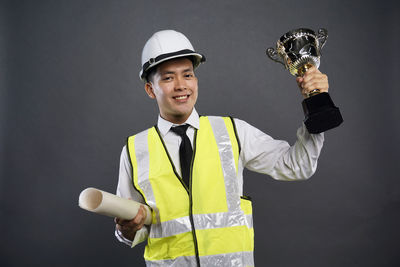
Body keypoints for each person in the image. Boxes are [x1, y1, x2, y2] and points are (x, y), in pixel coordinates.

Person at [114, 30, 327, 266]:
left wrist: (315, 103)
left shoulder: (232, 131)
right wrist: (128, 230)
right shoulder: (135, 150)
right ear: (150, 89)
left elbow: (299, 166)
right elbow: (130, 231)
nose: (181, 85)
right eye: (167, 78)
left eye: (188, 75)